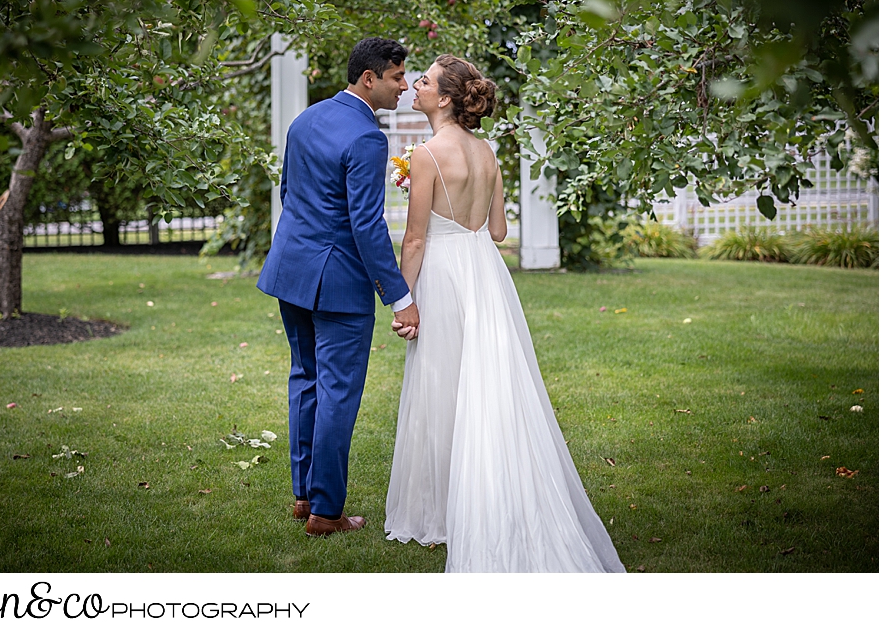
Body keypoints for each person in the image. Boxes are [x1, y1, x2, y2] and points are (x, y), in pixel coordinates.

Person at [384, 54, 625, 572]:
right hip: (485, 274)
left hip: (445, 275)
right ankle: (484, 493)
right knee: (488, 384)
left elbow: (416, 237)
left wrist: (405, 300)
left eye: (423, 82)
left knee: (442, 384)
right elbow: (498, 232)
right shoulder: (488, 151)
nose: (415, 87)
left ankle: (447, 511)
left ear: (445, 98)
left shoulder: (426, 154)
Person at [257, 37, 420, 537]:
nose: (405, 86)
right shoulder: (368, 137)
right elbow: (367, 226)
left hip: (291, 270)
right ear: (369, 78)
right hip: (339, 284)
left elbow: (289, 192)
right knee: (336, 393)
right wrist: (401, 295)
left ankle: (305, 497)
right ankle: (328, 513)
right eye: (397, 77)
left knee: (304, 379)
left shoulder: (305, 119)